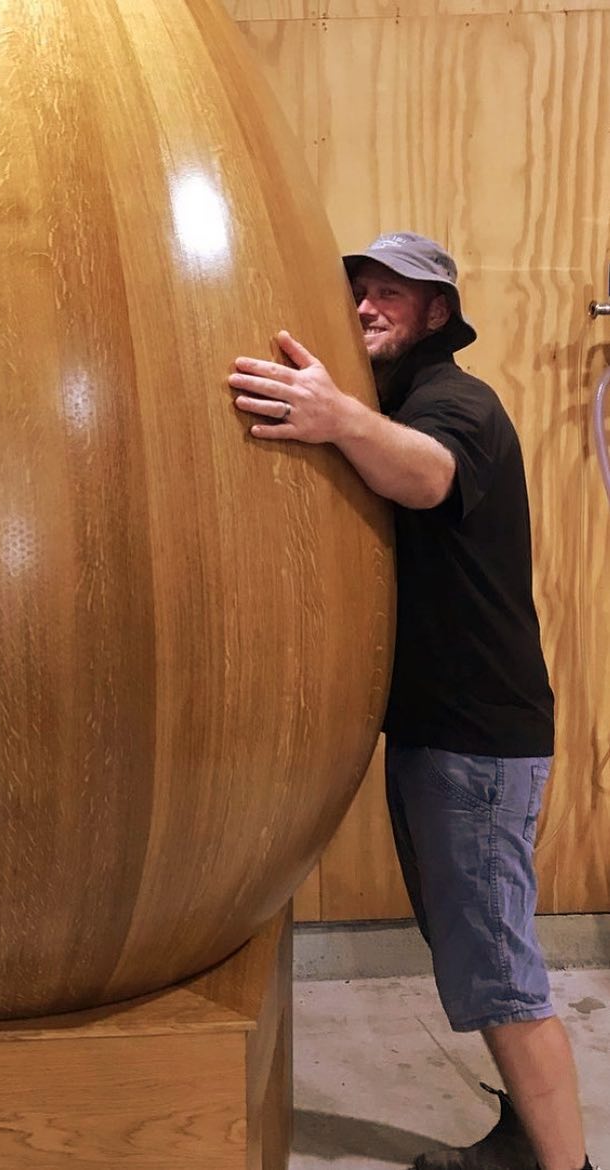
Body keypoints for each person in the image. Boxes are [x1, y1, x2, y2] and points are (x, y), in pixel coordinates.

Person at [227, 232, 597, 1170]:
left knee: (499, 973)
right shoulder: (398, 405)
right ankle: (525, 1140)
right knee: (472, 949)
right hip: (445, 736)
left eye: (391, 292)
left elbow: (428, 475)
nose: (365, 305)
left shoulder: (455, 402)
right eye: (358, 289)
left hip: (477, 742)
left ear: (438, 312)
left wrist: (338, 418)